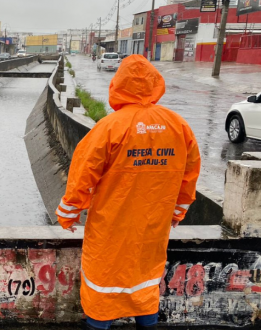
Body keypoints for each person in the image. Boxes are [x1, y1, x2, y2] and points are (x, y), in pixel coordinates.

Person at [55, 55, 201, 330]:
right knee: (145, 286)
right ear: (156, 84)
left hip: (111, 228)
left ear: (118, 85)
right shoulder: (178, 126)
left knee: (102, 287)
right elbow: (189, 175)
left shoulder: (110, 127)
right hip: (153, 228)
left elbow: (83, 174)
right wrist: (178, 212)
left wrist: (69, 214)